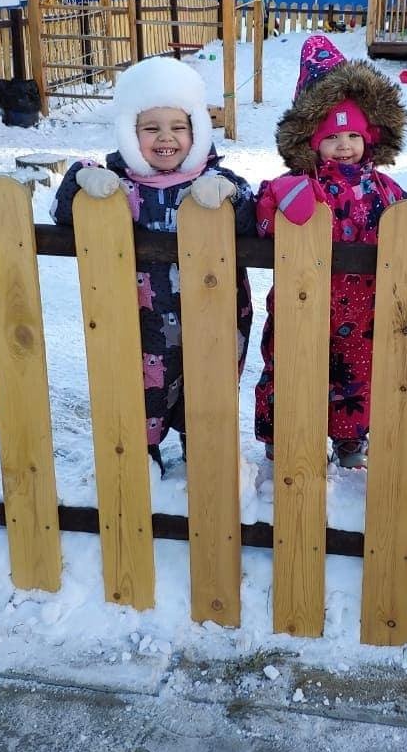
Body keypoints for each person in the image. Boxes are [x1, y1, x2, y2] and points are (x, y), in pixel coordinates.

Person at [51, 57, 256, 473]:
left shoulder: (214, 180)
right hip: (141, 319)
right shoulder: (120, 185)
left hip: (213, 316)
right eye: (151, 128)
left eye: (179, 127)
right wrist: (82, 184)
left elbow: (252, 217)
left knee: (209, 384)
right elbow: (62, 210)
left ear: (196, 131)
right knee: (143, 389)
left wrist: (230, 197)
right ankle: (143, 453)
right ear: (130, 133)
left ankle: (203, 447)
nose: (166, 138)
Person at [253, 35, 407, 470]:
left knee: (356, 379)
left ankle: (350, 442)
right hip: (304, 305)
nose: (345, 145)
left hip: (365, 315)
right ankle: (283, 437)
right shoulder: (303, 186)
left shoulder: (384, 190)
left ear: (369, 138)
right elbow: (262, 224)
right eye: (333, 136)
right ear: (312, 142)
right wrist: (279, 194)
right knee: (291, 369)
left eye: (353, 134)